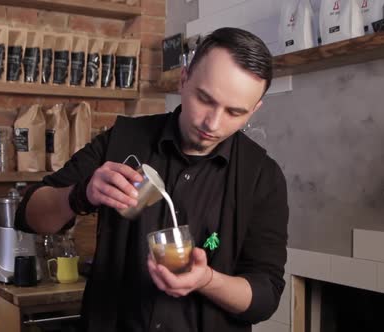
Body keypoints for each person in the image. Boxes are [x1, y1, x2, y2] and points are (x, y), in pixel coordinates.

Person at [15, 27, 289, 332]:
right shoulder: (123, 141)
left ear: (254, 109)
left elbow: (265, 296)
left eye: (235, 113)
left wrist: (206, 280)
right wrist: (80, 194)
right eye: (204, 99)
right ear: (184, 79)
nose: (212, 123)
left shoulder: (262, 176)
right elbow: (29, 215)